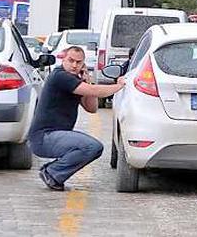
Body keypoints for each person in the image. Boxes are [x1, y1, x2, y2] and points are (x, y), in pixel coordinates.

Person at [28, 46, 125, 191]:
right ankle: (52, 173)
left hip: (55, 136)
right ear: (63, 59)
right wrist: (119, 86)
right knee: (91, 146)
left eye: (78, 62)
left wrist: (87, 81)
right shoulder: (60, 76)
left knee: (95, 148)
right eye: (71, 60)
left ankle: (53, 173)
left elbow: (91, 108)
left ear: (83, 64)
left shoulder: (74, 80)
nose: (74, 65)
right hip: (43, 138)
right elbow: (94, 92)